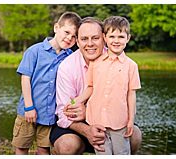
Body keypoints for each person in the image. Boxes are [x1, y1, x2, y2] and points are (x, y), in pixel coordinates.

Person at [51, 17, 143, 155]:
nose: (90, 44)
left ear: (103, 38)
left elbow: (124, 98)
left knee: (134, 135)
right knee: (67, 145)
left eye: (95, 38)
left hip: (109, 119)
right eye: (84, 39)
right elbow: (65, 111)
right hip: (77, 124)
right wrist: (87, 128)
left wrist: (86, 110)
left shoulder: (118, 60)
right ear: (77, 41)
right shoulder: (67, 67)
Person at [12, 12, 80, 155]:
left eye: (74, 36)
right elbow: (25, 79)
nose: (69, 38)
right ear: (56, 27)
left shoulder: (70, 58)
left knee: (44, 149)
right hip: (28, 112)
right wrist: (29, 107)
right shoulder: (34, 51)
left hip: (49, 115)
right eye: (66, 32)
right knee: (22, 147)